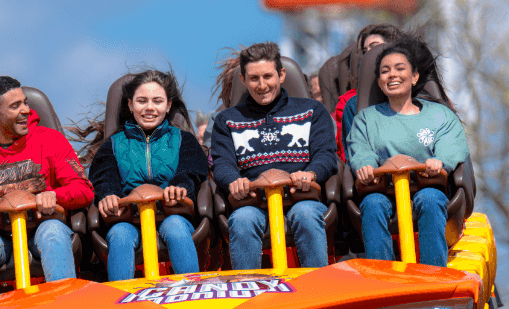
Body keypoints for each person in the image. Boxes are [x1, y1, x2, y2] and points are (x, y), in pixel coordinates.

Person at [0, 76, 94, 303]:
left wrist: (54, 195)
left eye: (25, 103)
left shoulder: (50, 141)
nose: (26, 111)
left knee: (52, 232)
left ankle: (67, 307)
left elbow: (83, 190)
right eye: (15, 106)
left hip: (44, 225)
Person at [210, 41, 337, 269]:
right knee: (242, 220)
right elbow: (222, 163)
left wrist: (311, 173)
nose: (262, 85)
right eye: (254, 78)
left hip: (301, 195)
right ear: (243, 80)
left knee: (306, 215)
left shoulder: (312, 111)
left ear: (281, 75)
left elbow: (326, 154)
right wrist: (234, 181)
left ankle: (318, 288)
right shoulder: (226, 120)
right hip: (253, 201)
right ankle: (250, 294)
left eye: (268, 77)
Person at [347, 37, 469, 267]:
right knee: (372, 204)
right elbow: (359, 147)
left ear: (414, 77)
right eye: (385, 71)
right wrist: (365, 164)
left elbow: (452, 146)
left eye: (399, 69)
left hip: (426, 187)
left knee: (431, 199)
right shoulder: (366, 118)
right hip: (384, 191)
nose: (392, 75)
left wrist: (440, 162)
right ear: (379, 81)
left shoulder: (439, 116)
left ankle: (433, 273)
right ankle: (383, 275)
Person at [90, 70, 208, 280]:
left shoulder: (184, 140)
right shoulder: (113, 145)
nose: (150, 108)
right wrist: (109, 193)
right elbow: (103, 174)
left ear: (168, 105)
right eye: (142, 101)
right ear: (130, 105)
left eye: (157, 101)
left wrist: (181, 184)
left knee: (175, 229)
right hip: (128, 217)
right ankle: (122, 301)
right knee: (120, 235)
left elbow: (193, 169)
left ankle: (191, 288)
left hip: (172, 212)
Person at [336, 23, 403, 160]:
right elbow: (350, 155)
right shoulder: (352, 104)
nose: (369, 54)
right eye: (365, 51)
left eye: (375, 47)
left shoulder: (426, 102)